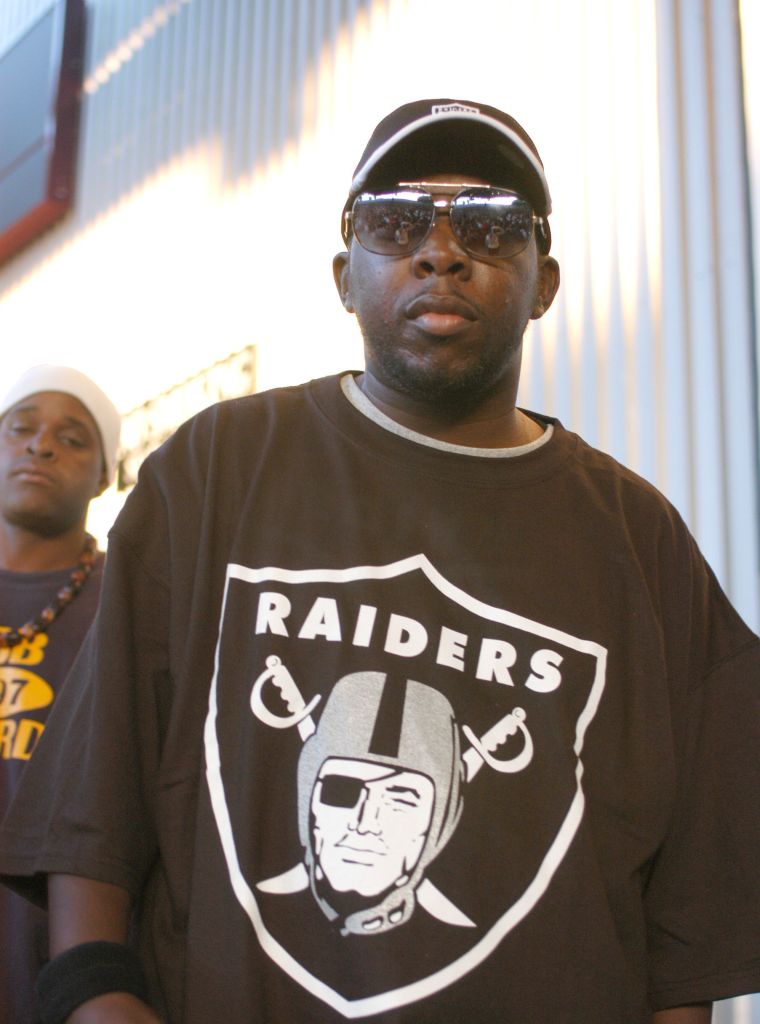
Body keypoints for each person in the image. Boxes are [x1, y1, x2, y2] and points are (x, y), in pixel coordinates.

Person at [0, 99, 758, 1024]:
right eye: (395, 221)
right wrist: (96, 997)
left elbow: (692, 929)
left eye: (492, 222)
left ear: (545, 280)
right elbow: (93, 803)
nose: (442, 250)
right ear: (344, 276)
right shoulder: (215, 469)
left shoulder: (646, 547)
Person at [0, 365, 121, 1024]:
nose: (40, 445)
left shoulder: (127, 608)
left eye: (73, 438)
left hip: (62, 959)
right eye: (21, 428)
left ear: (106, 474)